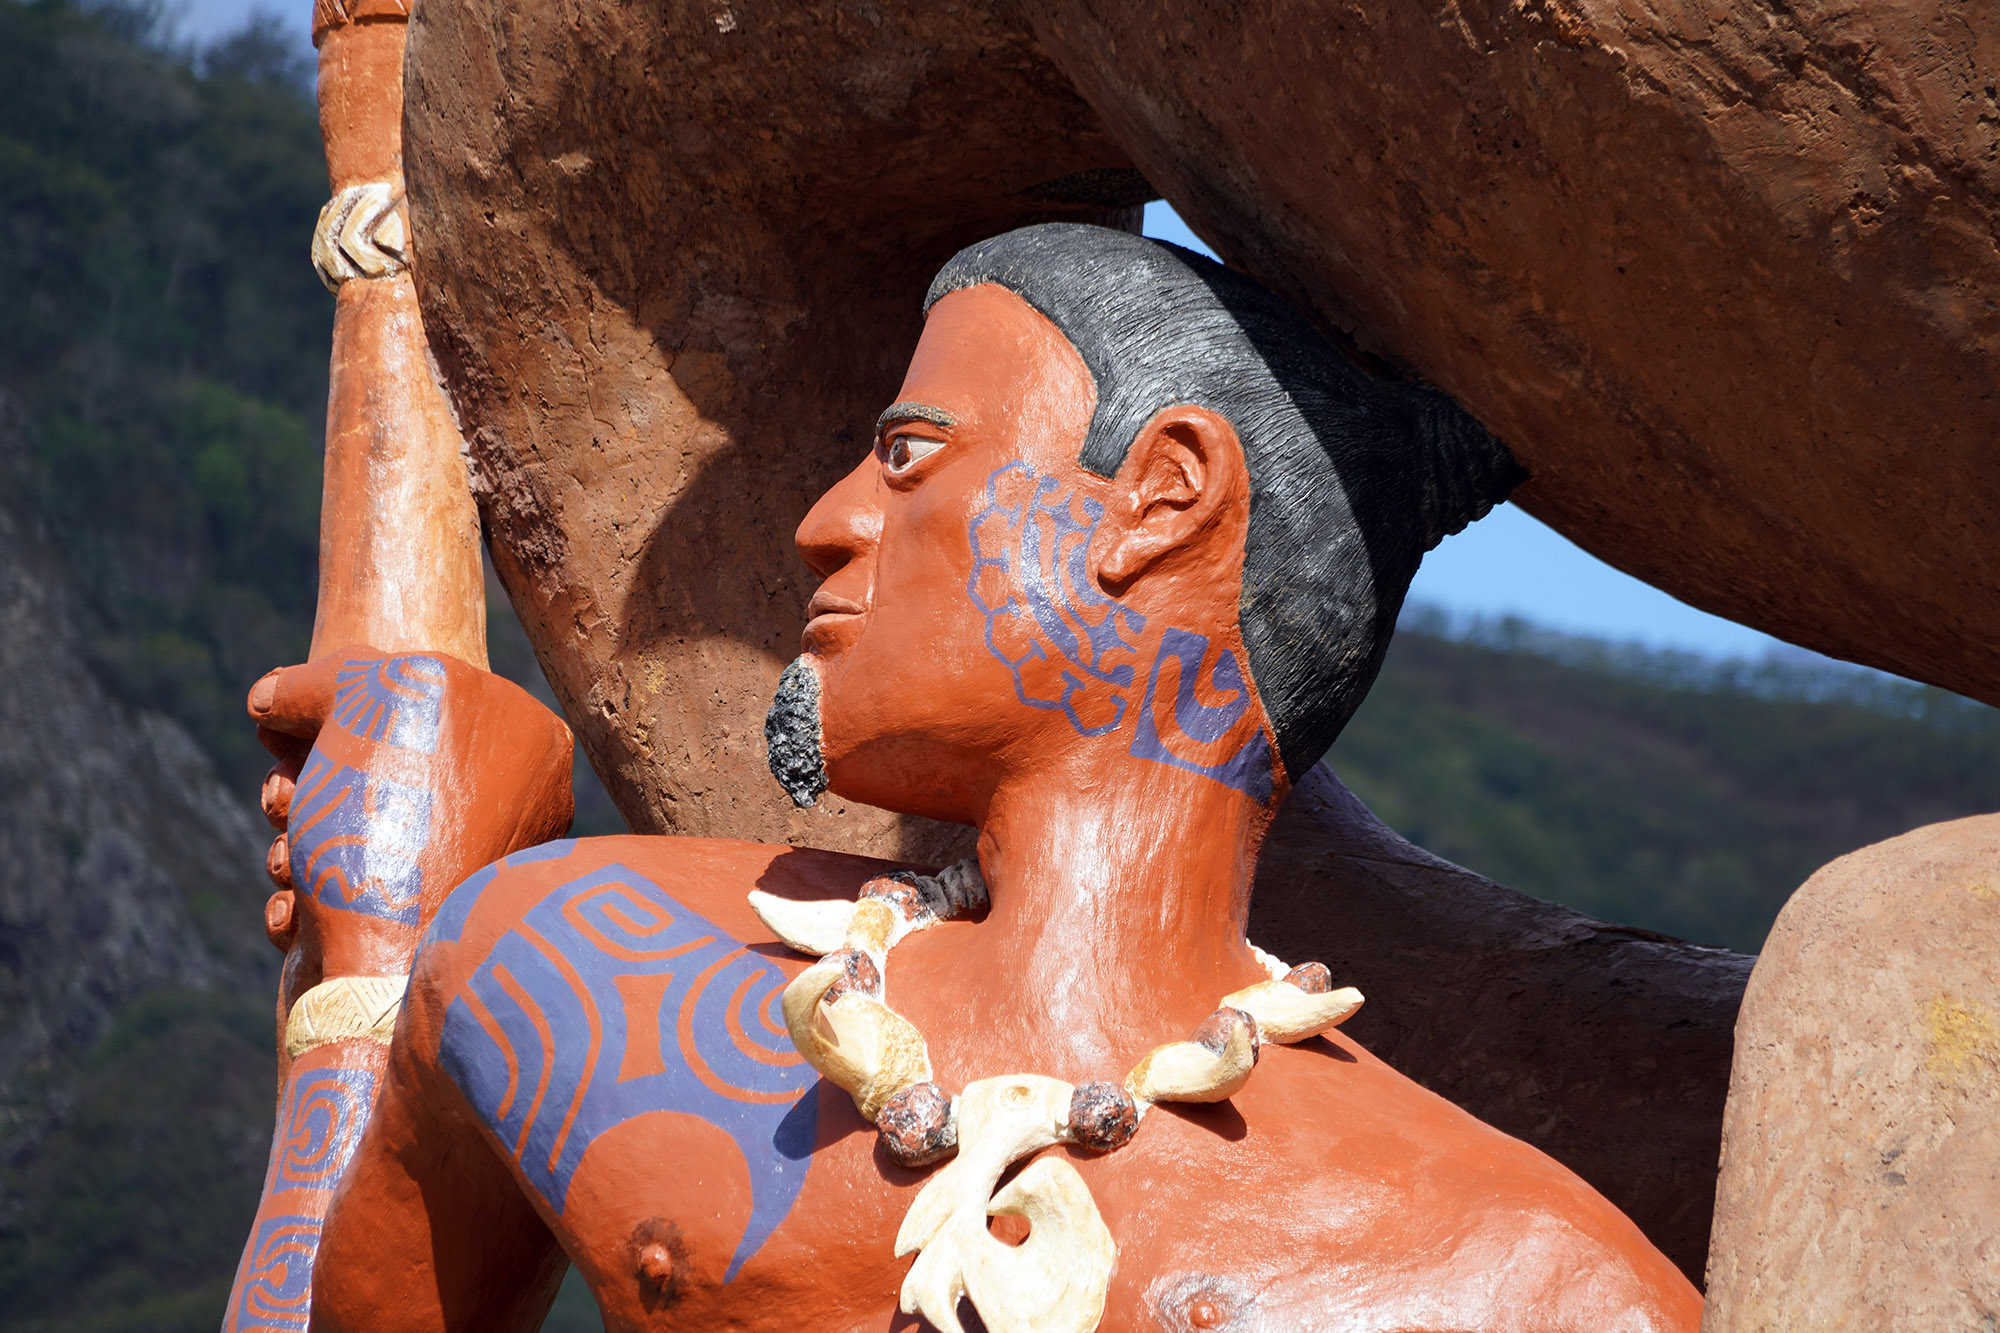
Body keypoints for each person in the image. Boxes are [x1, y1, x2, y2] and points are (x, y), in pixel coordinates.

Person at [248, 224, 1700, 1330]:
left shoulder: (1523, 1276)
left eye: (906, 456)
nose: (824, 522)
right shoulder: (561, 954)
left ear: (1162, 499)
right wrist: (378, 941)